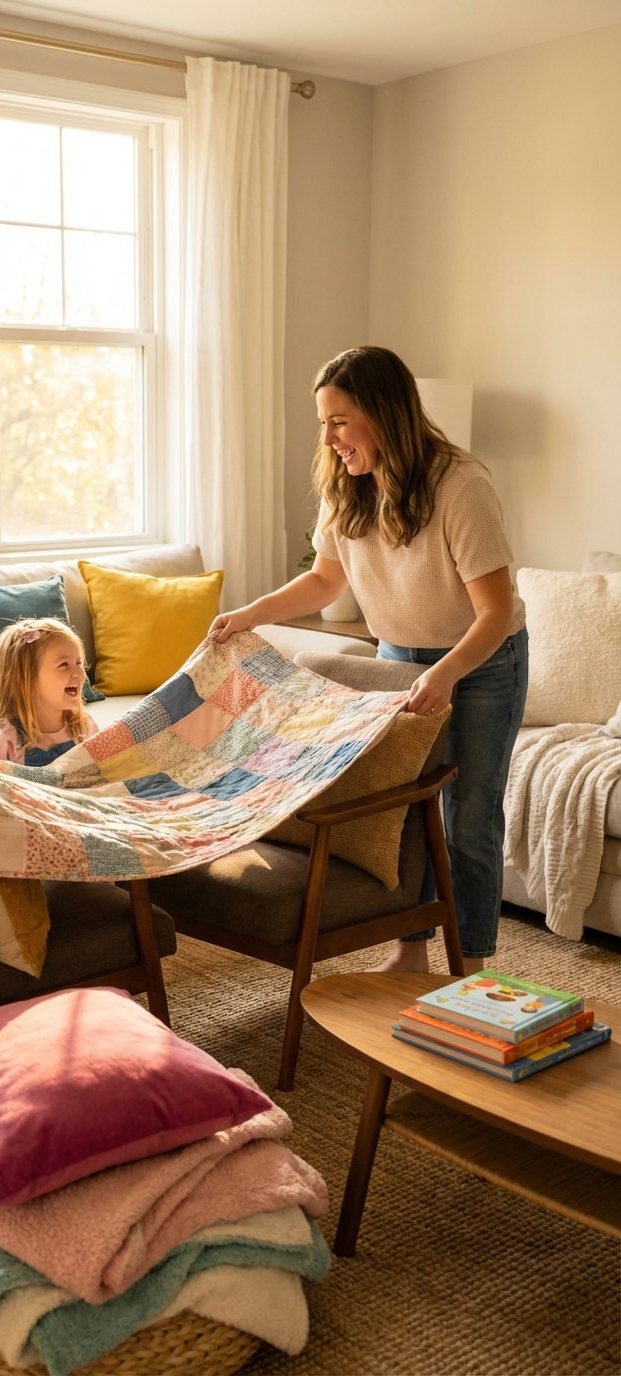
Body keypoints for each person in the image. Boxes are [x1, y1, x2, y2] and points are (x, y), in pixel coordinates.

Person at [210, 345, 528, 975]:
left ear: (383, 414)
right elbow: (325, 583)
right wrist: (253, 614)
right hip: (396, 658)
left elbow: (495, 612)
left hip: (481, 663)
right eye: (323, 423)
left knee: (468, 815)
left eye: (339, 421)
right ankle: (410, 952)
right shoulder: (344, 486)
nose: (329, 439)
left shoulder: (460, 486)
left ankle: (473, 966)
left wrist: (445, 673)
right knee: (402, 817)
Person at [0, 617, 99, 765]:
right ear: (26, 678)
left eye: (78, 662)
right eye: (64, 664)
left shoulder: (84, 727)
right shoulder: (3, 738)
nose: (79, 673)